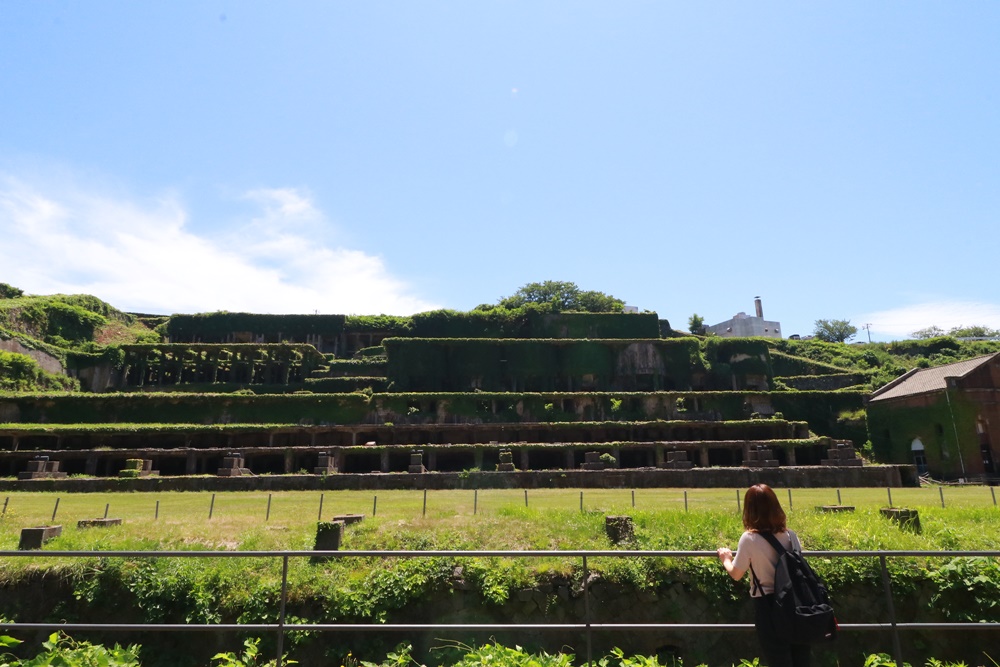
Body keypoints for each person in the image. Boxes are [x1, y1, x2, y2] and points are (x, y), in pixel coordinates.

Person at [717, 483, 811, 667]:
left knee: (778, 659)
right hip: (798, 603)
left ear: (749, 509)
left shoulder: (749, 539)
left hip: (768, 605)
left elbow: (736, 574)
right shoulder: (791, 536)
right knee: (801, 658)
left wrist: (726, 559)